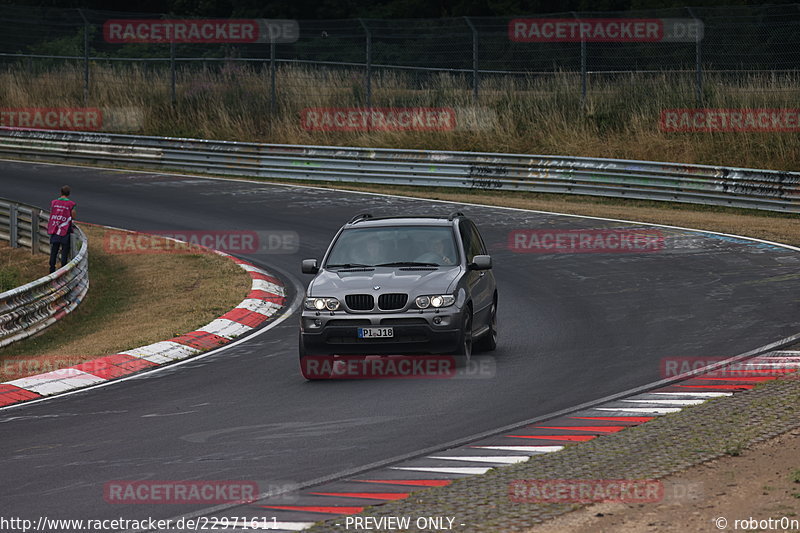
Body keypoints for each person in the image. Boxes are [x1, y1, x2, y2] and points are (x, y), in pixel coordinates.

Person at [47, 185, 77, 273]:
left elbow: (52, 212)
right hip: (65, 230)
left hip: (54, 228)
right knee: (65, 250)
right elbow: (73, 215)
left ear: (61, 192)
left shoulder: (54, 202)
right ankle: (63, 270)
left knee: (54, 249)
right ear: (69, 194)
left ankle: (51, 269)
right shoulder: (71, 204)